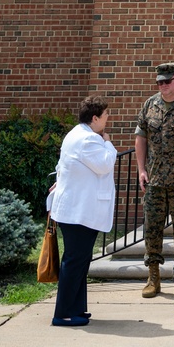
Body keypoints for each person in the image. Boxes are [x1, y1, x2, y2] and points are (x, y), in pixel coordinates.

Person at [48, 95, 117, 327]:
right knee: (75, 261)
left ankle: (76, 309)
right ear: (95, 117)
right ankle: (63, 314)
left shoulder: (76, 134)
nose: (108, 118)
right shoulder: (89, 140)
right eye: (106, 115)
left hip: (77, 210)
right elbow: (105, 165)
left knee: (80, 260)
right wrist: (107, 142)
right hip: (79, 212)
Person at [134, 60, 174, 299]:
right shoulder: (150, 104)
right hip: (155, 179)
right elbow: (140, 138)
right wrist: (141, 170)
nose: (163, 86)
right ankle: (153, 277)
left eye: (167, 81)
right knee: (152, 230)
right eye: (159, 82)